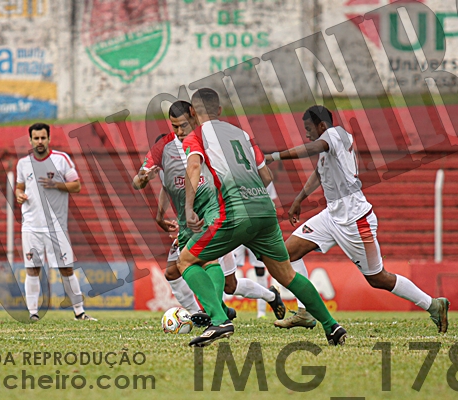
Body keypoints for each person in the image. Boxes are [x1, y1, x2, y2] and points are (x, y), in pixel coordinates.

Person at [178, 88, 346, 347]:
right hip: (264, 210)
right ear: (219, 110)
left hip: (235, 212)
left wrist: (189, 208)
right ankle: (331, 325)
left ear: (191, 111)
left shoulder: (196, 135)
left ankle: (219, 320)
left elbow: (193, 166)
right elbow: (266, 176)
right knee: (287, 274)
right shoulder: (242, 134)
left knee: (187, 260)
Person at [265, 105, 450, 333]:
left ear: (321, 125)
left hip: (355, 220)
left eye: (309, 129)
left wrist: (275, 156)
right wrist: (299, 199)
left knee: (378, 278)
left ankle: (433, 305)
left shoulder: (335, 134)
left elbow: (313, 147)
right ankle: (305, 311)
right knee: (287, 254)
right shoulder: (330, 144)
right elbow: (319, 172)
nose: (307, 134)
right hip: (332, 216)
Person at [133, 101, 285, 323]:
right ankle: (205, 311)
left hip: (217, 216)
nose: (180, 131)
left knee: (207, 263)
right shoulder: (164, 148)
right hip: (188, 223)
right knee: (182, 274)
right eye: (175, 126)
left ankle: (212, 312)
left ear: (193, 117)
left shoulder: (210, 141)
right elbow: (149, 183)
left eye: (184, 125)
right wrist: (144, 181)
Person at [16, 123, 96, 322]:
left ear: (49, 139)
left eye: (43, 138)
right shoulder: (23, 163)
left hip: (56, 227)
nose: (40, 142)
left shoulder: (61, 159)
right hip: (31, 226)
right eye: (36, 138)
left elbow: (76, 185)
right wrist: (19, 194)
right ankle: (33, 313)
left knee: (66, 268)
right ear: (30, 140)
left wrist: (56, 184)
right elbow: (19, 187)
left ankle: (79, 312)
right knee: (32, 269)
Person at [232, 245, 270, 319]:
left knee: (260, 271)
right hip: (236, 238)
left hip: (254, 238)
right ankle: (221, 309)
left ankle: (261, 312)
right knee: (228, 268)